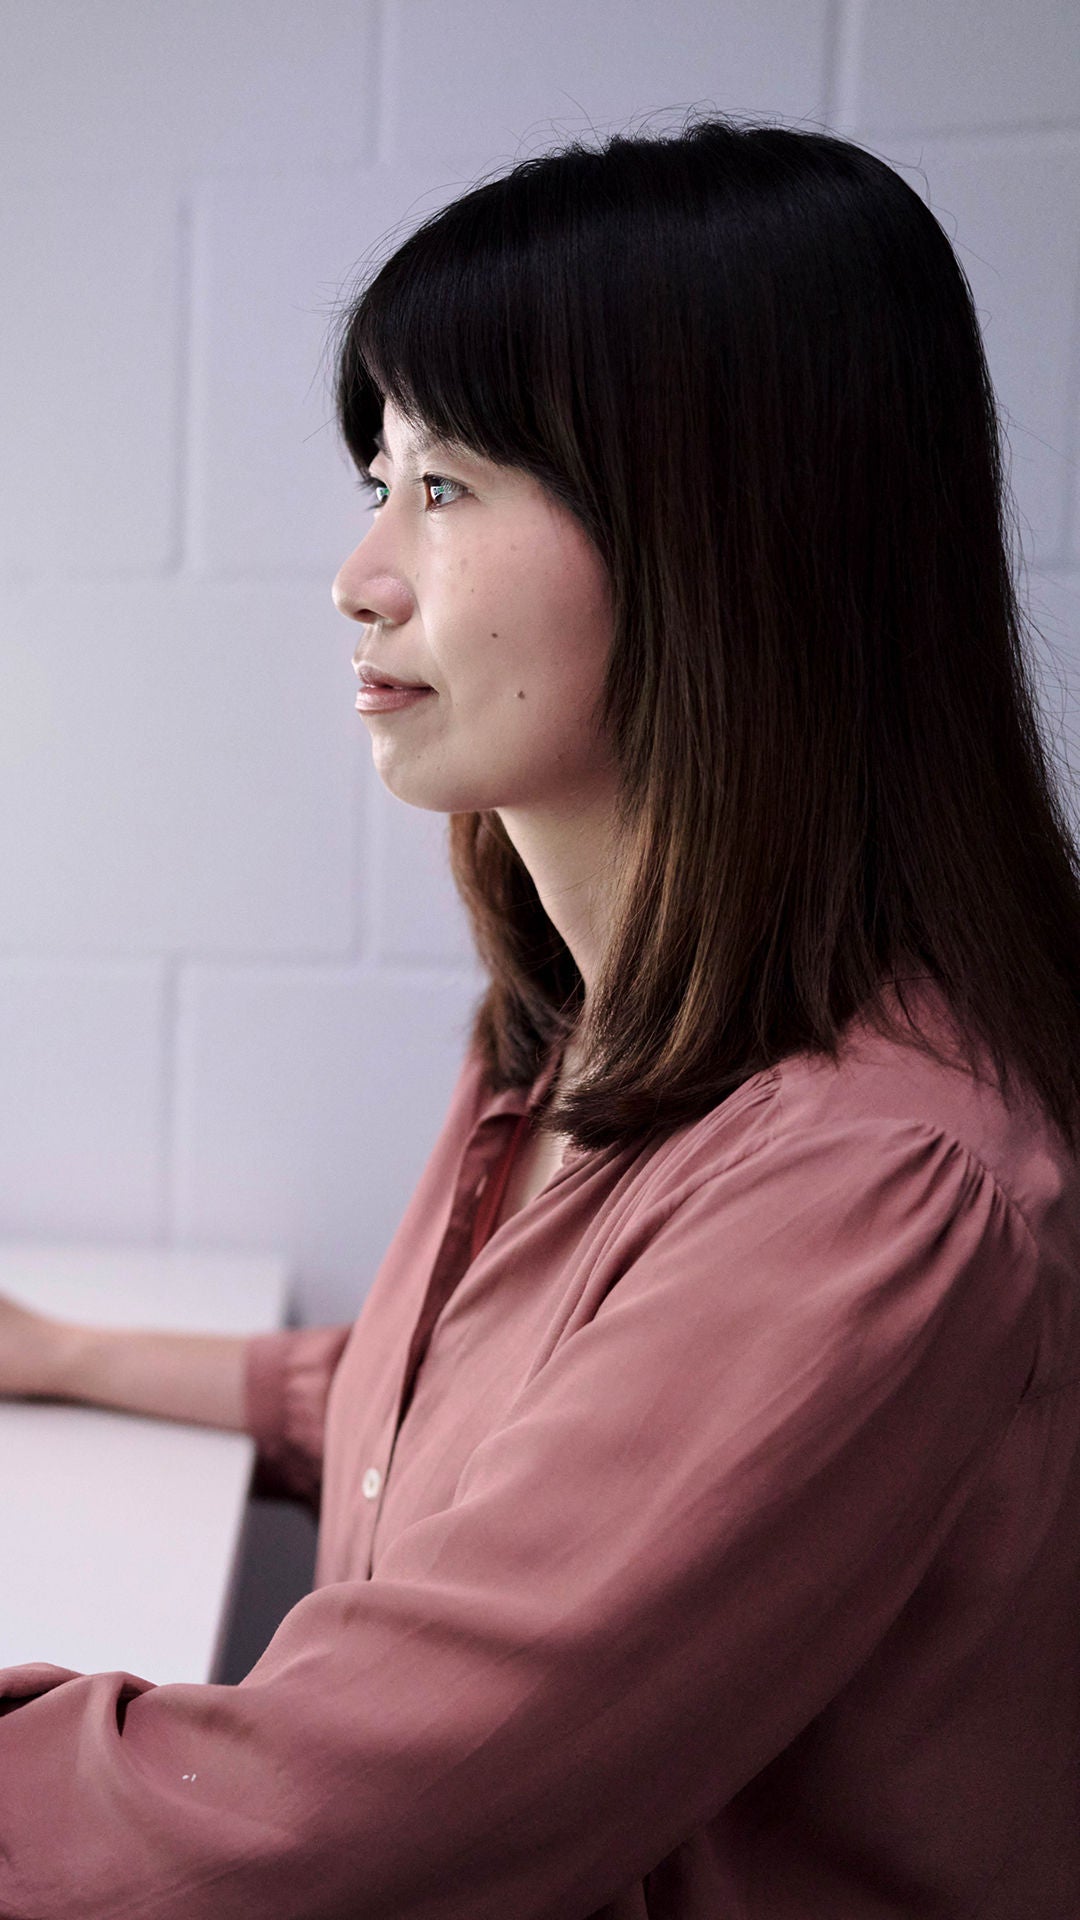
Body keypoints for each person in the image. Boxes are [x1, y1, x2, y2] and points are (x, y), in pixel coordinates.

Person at [0, 110, 1078, 1919]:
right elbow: (489, 1419)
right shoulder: (578, 1029)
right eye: (377, 474)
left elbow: (327, 1825)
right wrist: (70, 1355)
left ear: (723, 537)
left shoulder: (875, 1187)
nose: (361, 572)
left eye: (450, 483)